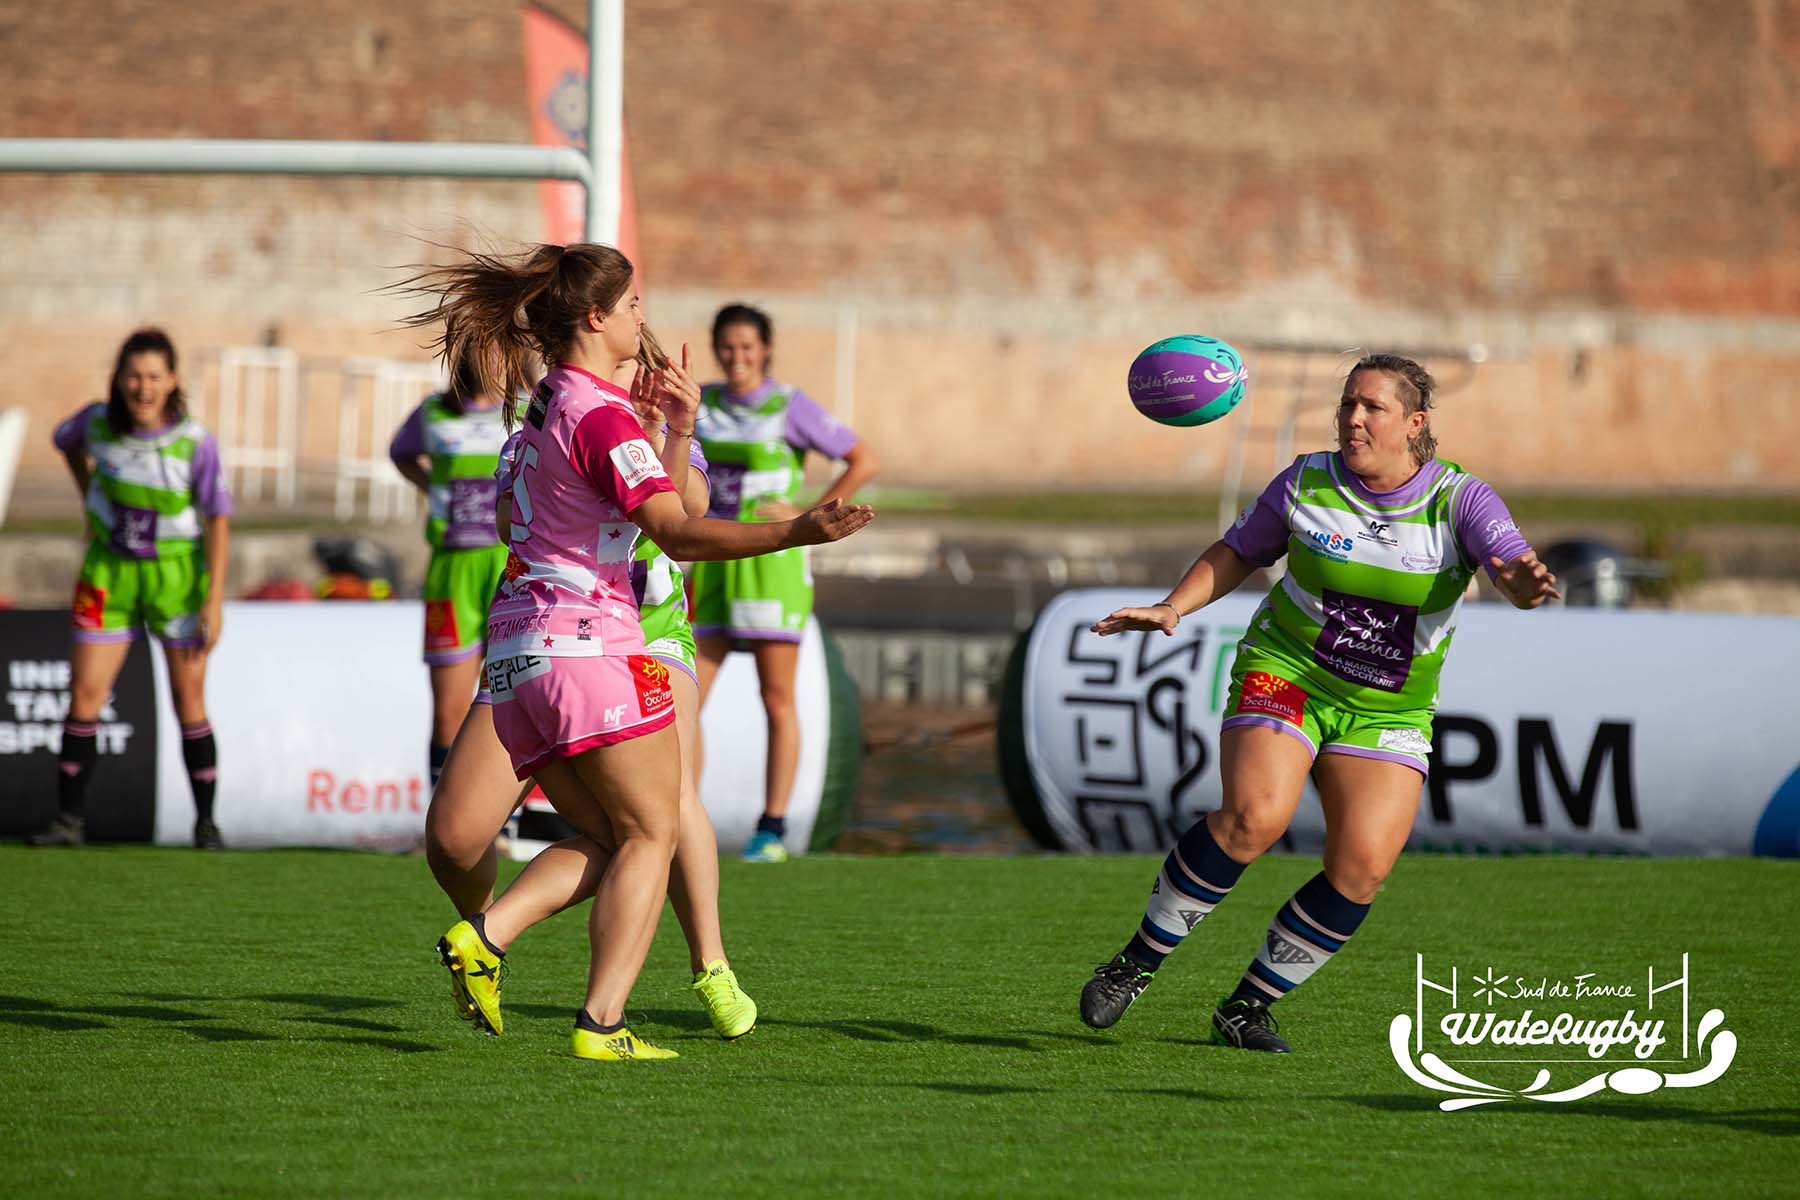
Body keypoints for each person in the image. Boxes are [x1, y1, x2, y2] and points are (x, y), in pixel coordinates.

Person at [400, 243, 872, 1061]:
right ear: (595, 319)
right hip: (590, 649)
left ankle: (498, 937)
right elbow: (679, 531)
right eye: (632, 305)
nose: (640, 316)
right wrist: (799, 529)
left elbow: (524, 528)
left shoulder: (537, 411)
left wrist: (671, 437)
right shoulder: (604, 417)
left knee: (542, 839)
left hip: (515, 656)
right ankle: (593, 1017)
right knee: (653, 833)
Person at [1078, 353, 1560, 1052]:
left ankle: (1245, 1007)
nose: (1353, 419)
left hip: (1389, 708)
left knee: (1362, 868)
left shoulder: (1460, 500)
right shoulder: (1307, 479)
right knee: (1254, 818)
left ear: (1415, 424)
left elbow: (1510, 566)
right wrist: (1172, 607)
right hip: (1289, 670)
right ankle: (1134, 965)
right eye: (1347, 405)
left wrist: (1521, 583)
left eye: (1373, 408)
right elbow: (1240, 550)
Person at [424, 340, 759, 1043]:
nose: (633, 374)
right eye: (627, 360)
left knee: (664, 805)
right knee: (453, 838)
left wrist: (671, 433)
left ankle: (710, 967)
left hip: (646, 628)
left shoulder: (640, 430)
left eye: (643, 363)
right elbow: (515, 532)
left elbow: (683, 520)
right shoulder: (552, 430)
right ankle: (488, 939)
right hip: (551, 631)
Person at [691, 303, 880, 862]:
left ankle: (770, 829)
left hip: (774, 561)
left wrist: (807, 512)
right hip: (715, 556)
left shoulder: (789, 404)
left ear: (766, 350)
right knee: (685, 698)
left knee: (776, 698)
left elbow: (863, 458)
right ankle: (684, 813)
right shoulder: (703, 402)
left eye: (748, 348)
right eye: (728, 347)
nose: (737, 358)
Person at [30, 328, 233, 849]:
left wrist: (213, 598)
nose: (143, 388)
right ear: (118, 380)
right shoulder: (97, 423)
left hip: (176, 578)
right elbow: (64, 442)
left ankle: (206, 825)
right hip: (110, 573)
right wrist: (89, 499)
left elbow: (218, 519)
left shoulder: (193, 443)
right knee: (85, 696)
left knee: (189, 700)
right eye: (134, 377)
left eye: (154, 377)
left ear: (172, 382)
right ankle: (68, 822)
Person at [388, 356, 511, 788]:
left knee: (515, 699)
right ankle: (441, 820)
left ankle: (508, 823)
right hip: (451, 568)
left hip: (507, 563)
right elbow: (400, 454)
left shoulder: (524, 407)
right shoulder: (433, 413)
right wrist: (432, 487)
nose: (490, 358)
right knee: (449, 709)